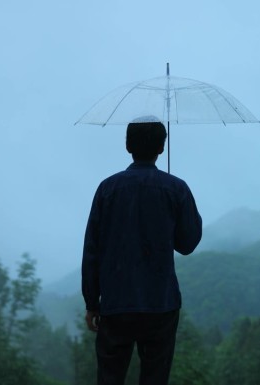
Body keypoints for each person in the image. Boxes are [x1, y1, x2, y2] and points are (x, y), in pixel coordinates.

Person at [81, 118, 203, 385]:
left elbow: (92, 250)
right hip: (160, 303)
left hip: (115, 302)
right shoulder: (176, 189)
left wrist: (92, 303)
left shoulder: (107, 189)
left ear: (128, 146)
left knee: (110, 378)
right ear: (161, 147)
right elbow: (188, 243)